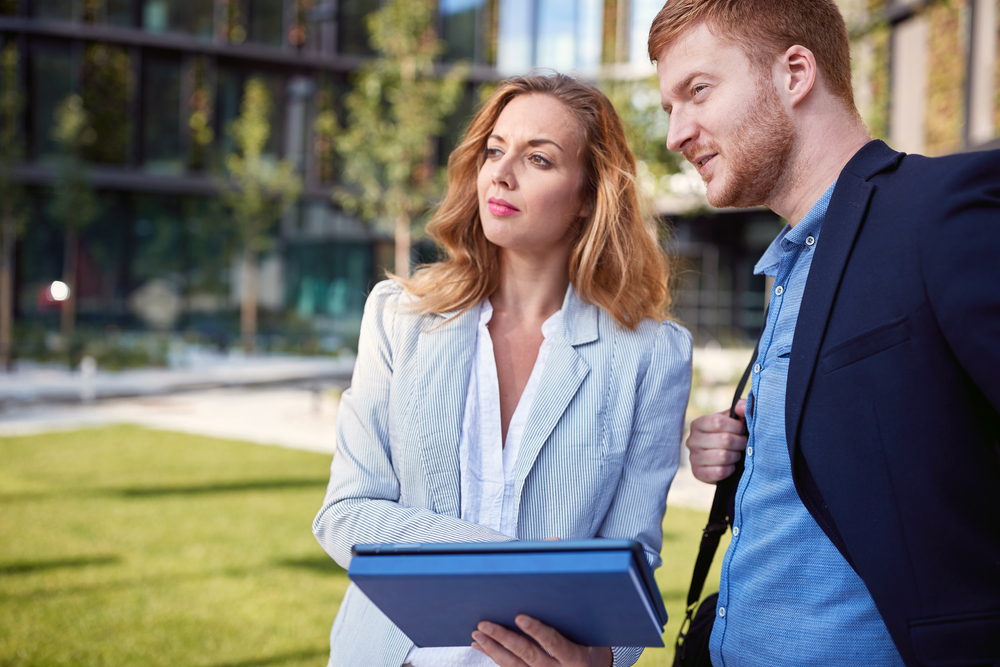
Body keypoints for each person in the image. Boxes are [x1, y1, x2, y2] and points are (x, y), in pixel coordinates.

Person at [647, 1, 1000, 666]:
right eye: (669, 106)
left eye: (697, 91)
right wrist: (750, 453)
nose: (676, 133)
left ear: (795, 73)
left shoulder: (938, 211)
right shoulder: (790, 263)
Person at [312, 73, 693, 667]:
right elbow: (346, 515)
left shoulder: (649, 354)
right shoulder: (399, 318)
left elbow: (632, 563)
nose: (502, 173)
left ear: (590, 194)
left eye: (538, 158)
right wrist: (530, 568)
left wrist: (604, 659)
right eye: (495, 150)